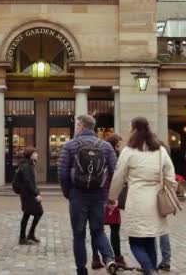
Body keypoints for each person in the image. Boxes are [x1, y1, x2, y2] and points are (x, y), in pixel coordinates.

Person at [108, 116, 177, 275]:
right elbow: (170, 175)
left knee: (135, 243)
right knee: (149, 240)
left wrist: (112, 198)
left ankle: (150, 271)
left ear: (134, 129)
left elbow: (119, 177)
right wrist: (169, 190)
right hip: (155, 201)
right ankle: (152, 271)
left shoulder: (129, 151)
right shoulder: (160, 150)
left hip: (137, 200)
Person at [58, 114, 118, 275]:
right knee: (98, 230)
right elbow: (115, 173)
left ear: (80, 126)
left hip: (77, 194)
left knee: (78, 234)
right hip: (98, 195)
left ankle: (81, 270)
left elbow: (62, 173)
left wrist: (68, 193)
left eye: (76, 125)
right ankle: (108, 258)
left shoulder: (70, 145)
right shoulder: (106, 146)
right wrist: (110, 196)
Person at [91, 134, 131, 270]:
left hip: (100, 196)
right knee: (113, 229)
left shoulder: (99, 157)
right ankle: (117, 257)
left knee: (97, 229)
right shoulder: (114, 159)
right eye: (119, 145)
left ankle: (96, 258)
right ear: (114, 145)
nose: (120, 148)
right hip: (109, 196)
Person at [17, 147, 43, 245]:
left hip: (27, 193)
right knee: (39, 212)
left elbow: (31, 181)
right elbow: (28, 182)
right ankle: (24, 237)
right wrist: (36, 194)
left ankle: (26, 236)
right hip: (27, 194)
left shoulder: (28, 164)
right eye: (35, 153)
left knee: (27, 214)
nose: (37, 154)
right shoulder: (27, 165)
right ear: (30, 155)